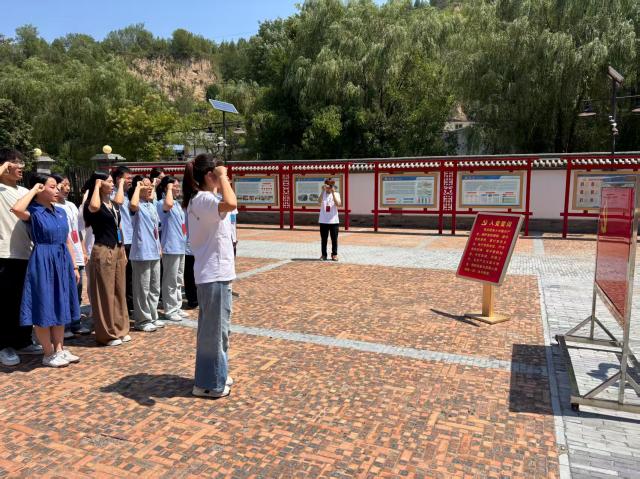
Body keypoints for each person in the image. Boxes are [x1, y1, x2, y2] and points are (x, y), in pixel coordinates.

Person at [11, 174, 81, 367]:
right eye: (52, 186)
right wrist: (34, 189)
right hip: (43, 260)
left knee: (60, 304)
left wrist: (74, 265)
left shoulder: (61, 212)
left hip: (62, 259)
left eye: (57, 186)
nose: (57, 190)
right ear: (41, 189)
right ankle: (48, 353)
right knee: (44, 305)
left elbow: (67, 240)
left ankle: (59, 349)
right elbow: (16, 209)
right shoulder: (33, 211)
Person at [183, 154, 237, 398]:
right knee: (214, 332)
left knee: (217, 330)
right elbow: (232, 203)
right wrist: (223, 176)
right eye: (217, 173)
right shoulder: (203, 200)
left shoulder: (204, 200)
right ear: (209, 175)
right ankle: (210, 383)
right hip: (213, 274)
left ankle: (217, 372)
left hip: (214, 273)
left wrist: (221, 178)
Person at [0, 149, 42, 366]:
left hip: (27, 252)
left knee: (23, 300)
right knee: (5, 302)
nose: (21, 168)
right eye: (16, 163)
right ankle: (4, 345)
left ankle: (23, 340)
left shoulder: (25, 191)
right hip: (4, 254)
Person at [83, 172, 131, 346]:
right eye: (109, 182)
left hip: (117, 249)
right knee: (105, 293)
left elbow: (119, 207)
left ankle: (120, 328)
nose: (112, 184)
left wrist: (122, 248)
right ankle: (106, 334)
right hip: (103, 249)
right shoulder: (91, 202)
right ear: (99, 183)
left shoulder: (112, 204)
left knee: (119, 291)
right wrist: (96, 186)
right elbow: (94, 207)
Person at [56, 174, 90, 336]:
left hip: (77, 252)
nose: (67, 188)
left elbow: (78, 230)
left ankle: (76, 322)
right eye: (63, 185)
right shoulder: (54, 206)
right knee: (66, 290)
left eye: (68, 185)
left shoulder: (71, 205)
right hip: (65, 253)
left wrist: (83, 250)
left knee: (77, 289)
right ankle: (66, 325)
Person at [129, 176, 163, 332]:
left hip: (154, 251)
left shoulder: (151, 205)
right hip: (142, 252)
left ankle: (153, 315)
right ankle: (142, 320)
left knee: (154, 286)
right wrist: (138, 187)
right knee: (142, 288)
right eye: (145, 186)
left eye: (150, 186)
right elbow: (133, 205)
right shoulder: (137, 206)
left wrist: (159, 247)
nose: (149, 188)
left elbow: (156, 228)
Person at [156, 176, 187, 322]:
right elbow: (167, 205)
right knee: (170, 279)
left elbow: (182, 225)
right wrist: (168, 188)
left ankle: (177, 306)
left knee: (178, 279)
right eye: (174, 186)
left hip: (181, 246)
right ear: (166, 188)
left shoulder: (177, 204)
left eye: (178, 186)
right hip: (170, 246)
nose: (178, 188)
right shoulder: (162, 203)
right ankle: (170, 309)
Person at [111, 166, 134, 312]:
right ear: (119, 179)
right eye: (128, 178)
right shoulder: (114, 194)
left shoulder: (127, 195)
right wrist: (119, 185)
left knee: (130, 276)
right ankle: (122, 307)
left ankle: (130, 305)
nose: (130, 181)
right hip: (121, 241)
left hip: (131, 239)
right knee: (122, 276)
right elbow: (117, 203)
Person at [317, 178, 342, 261]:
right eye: (328, 186)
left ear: (333, 186)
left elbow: (338, 204)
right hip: (323, 220)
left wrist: (333, 193)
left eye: (331, 186)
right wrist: (322, 191)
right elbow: (319, 201)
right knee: (324, 239)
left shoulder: (336, 194)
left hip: (334, 221)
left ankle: (334, 254)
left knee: (334, 239)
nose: (329, 188)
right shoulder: (323, 193)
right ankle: (324, 255)